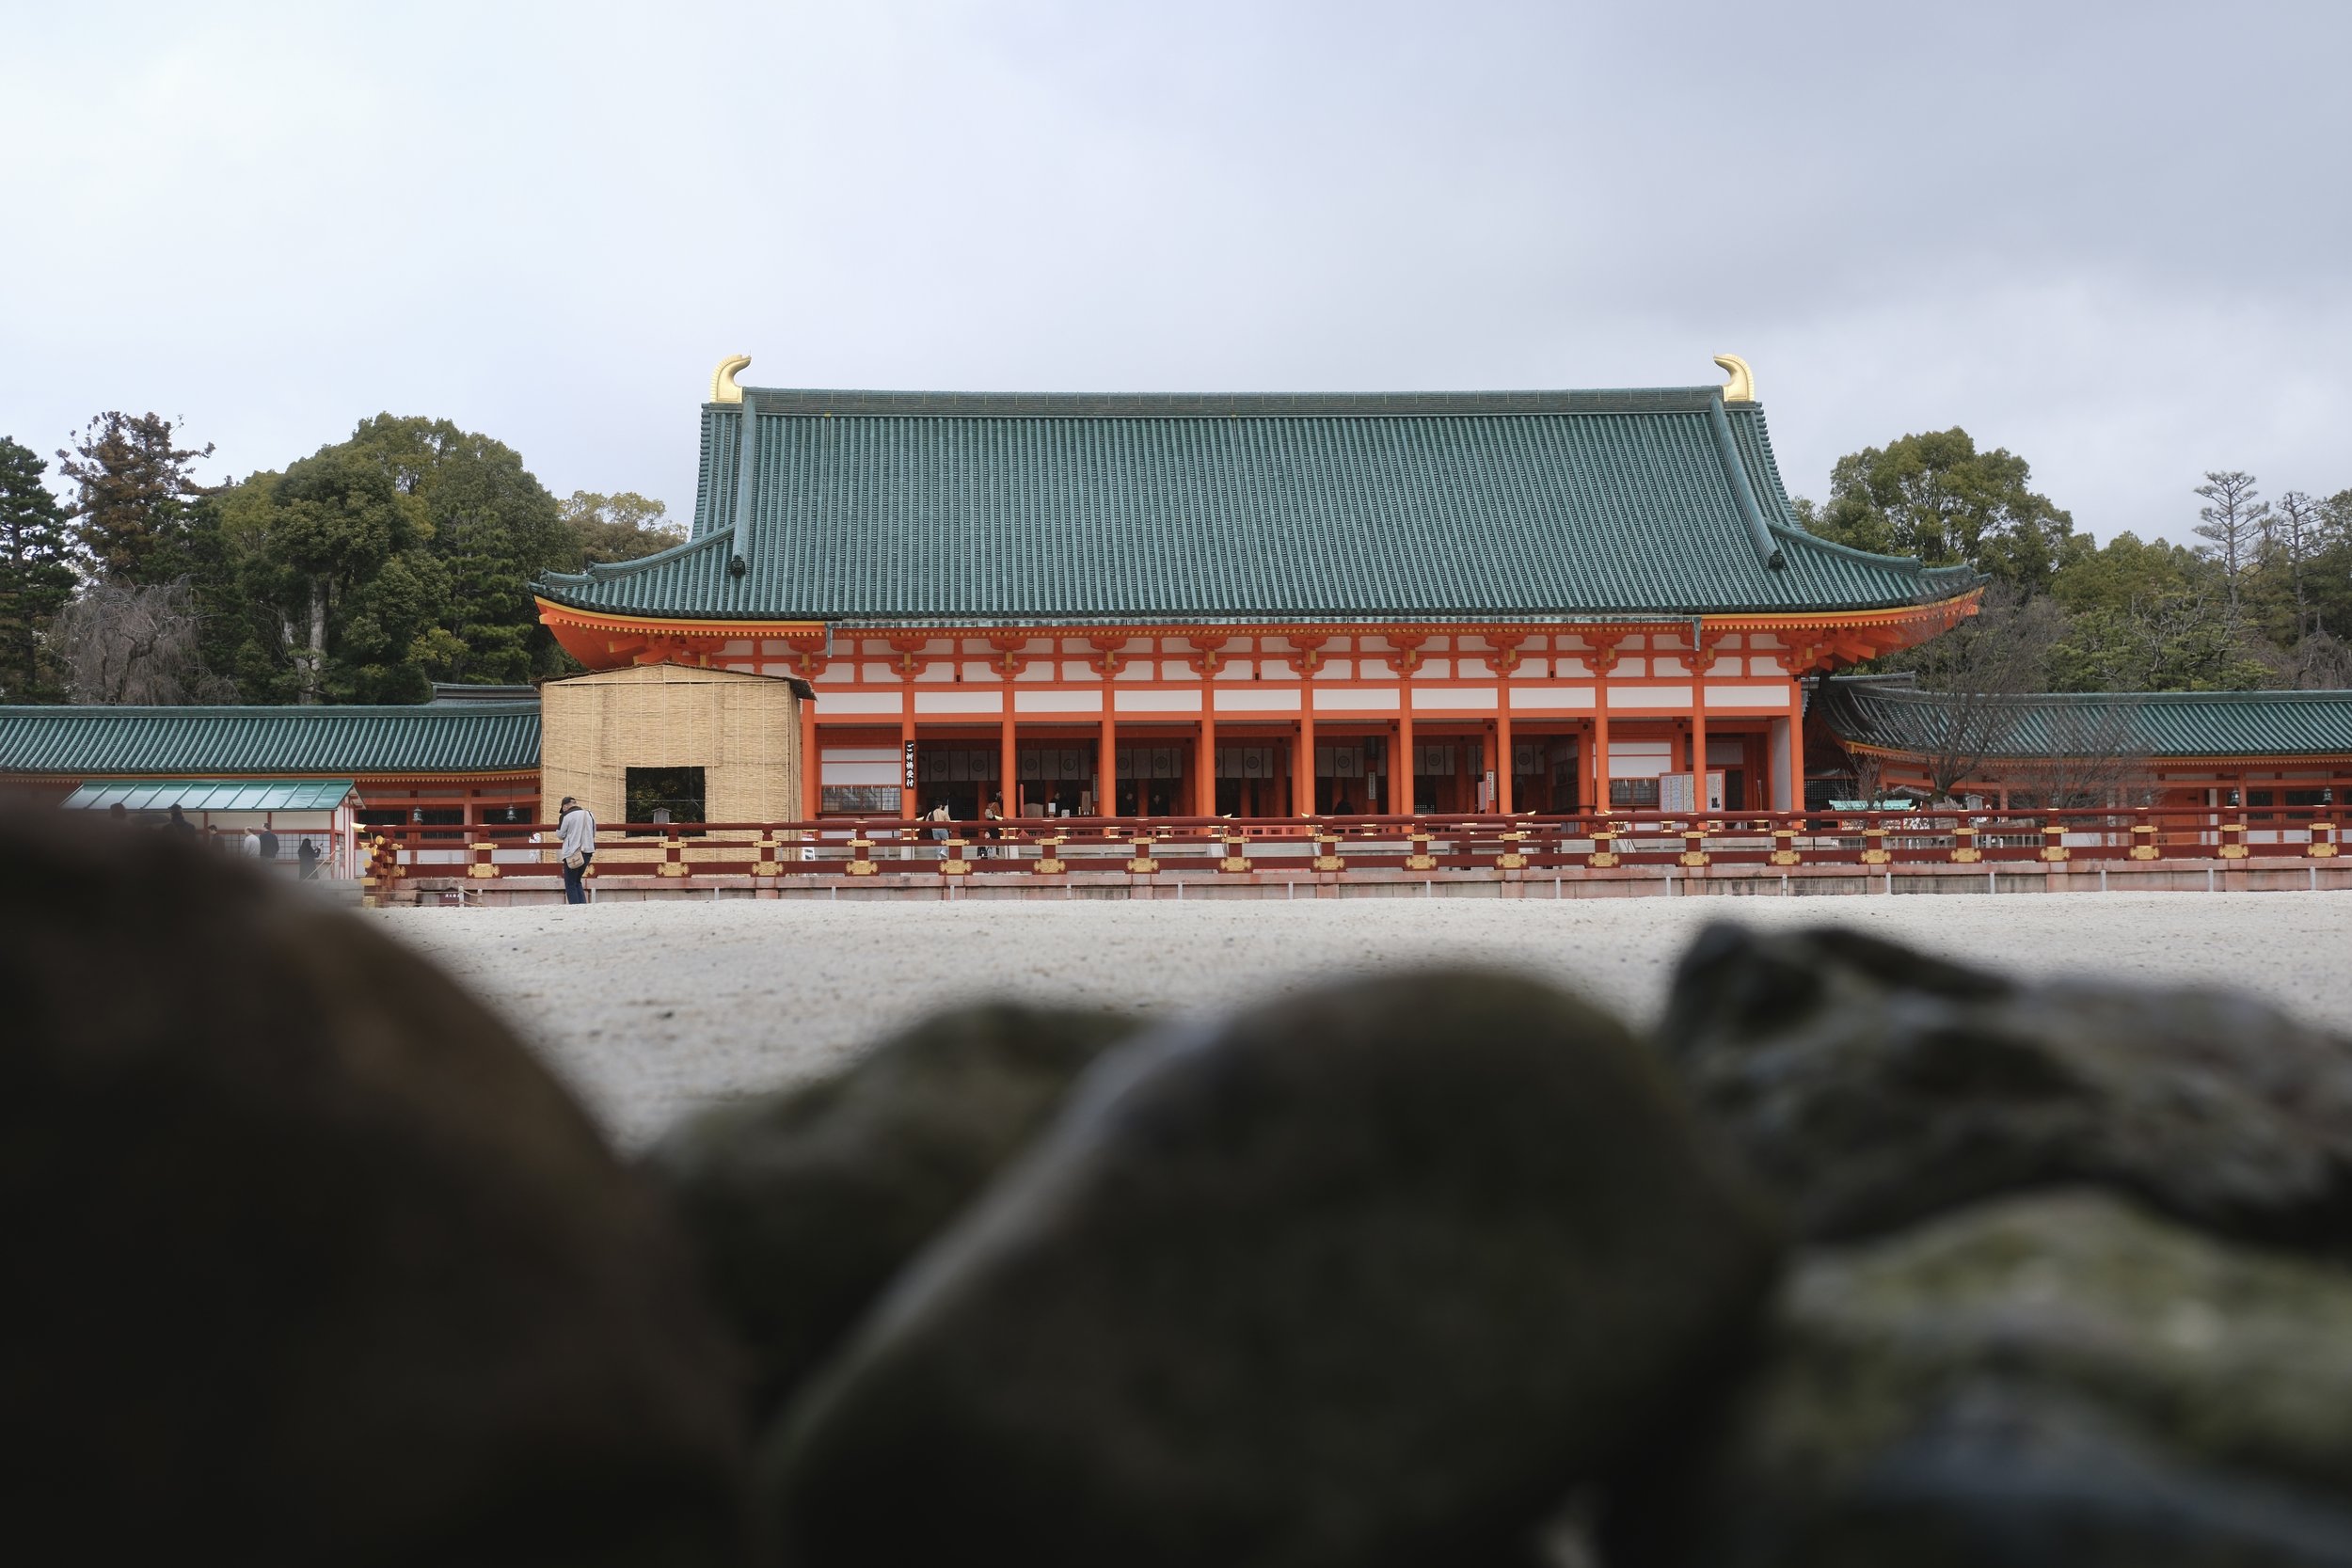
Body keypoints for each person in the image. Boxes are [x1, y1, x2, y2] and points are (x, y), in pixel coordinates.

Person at [558, 795, 597, 905]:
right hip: (588, 851)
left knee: (570, 882)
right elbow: (593, 832)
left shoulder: (566, 816)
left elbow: (560, 834)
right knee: (577, 880)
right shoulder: (589, 814)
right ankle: (582, 906)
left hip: (573, 853)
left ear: (565, 806)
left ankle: (575, 907)